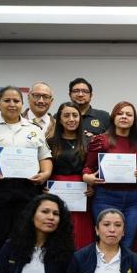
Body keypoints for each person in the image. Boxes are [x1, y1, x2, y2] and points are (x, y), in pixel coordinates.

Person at [0, 86, 52, 273]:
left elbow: (45, 157)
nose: (12, 104)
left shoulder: (34, 129)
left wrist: (46, 173)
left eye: (16, 101)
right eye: (7, 100)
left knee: (24, 241)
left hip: (27, 192)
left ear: (22, 104)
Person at [83, 101, 137, 250]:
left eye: (128, 114)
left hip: (132, 200)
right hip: (105, 197)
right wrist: (88, 178)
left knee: (127, 243)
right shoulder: (101, 141)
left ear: (134, 119)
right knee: (106, 242)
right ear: (113, 117)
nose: (124, 117)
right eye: (120, 113)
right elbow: (87, 168)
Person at [47, 101, 94, 249]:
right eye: (66, 115)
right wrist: (44, 189)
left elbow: (92, 169)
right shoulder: (50, 142)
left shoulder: (89, 142)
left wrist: (93, 187)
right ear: (59, 119)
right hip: (56, 195)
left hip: (82, 196)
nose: (71, 119)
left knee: (80, 236)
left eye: (75, 115)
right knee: (57, 235)